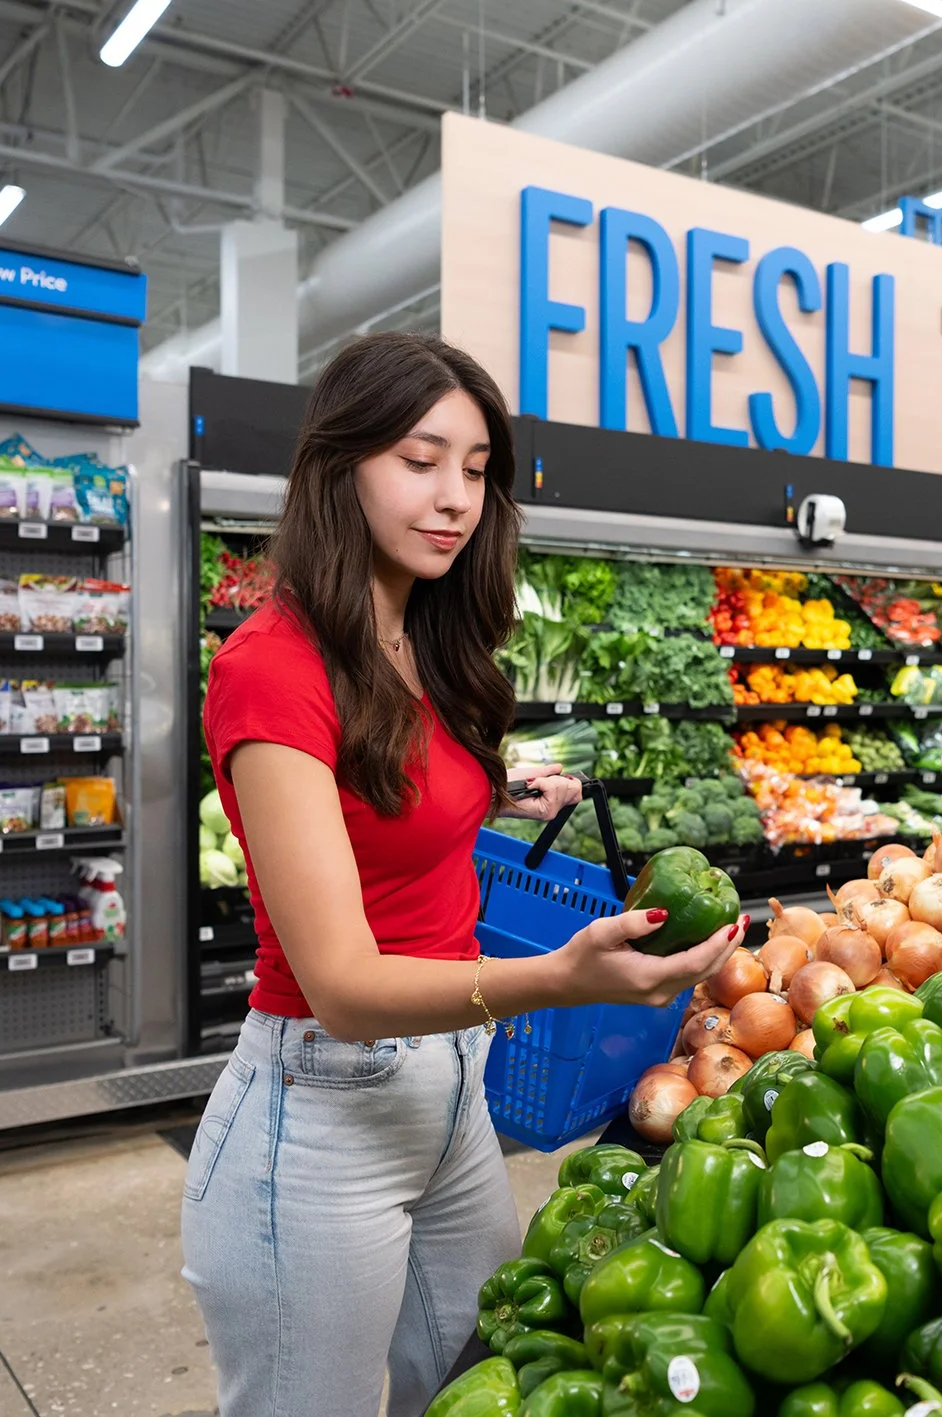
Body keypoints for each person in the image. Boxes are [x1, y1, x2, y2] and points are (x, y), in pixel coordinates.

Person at [181, 332, 743, 1417]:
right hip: (320, 1110)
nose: (454, 498)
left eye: (478, 470)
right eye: (419, 458)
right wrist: (563, 978)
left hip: (451, 1096)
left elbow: (379, 792)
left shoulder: (415, 636)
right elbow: (342, 985)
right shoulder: (270, 666)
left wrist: (491, 786)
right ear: (337, 467)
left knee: (491, 1386)